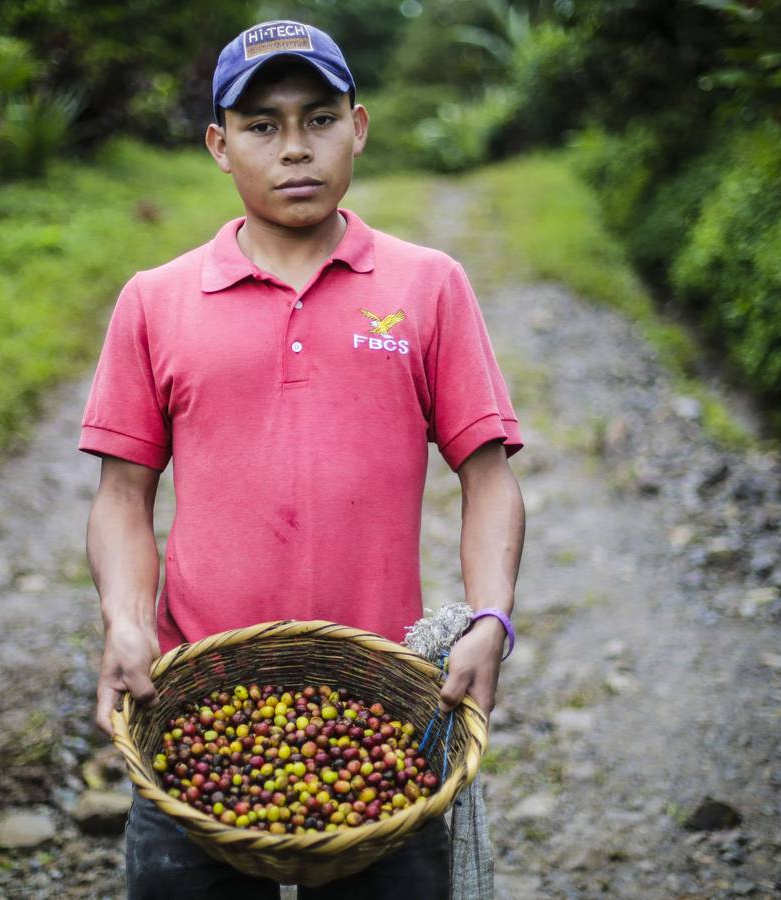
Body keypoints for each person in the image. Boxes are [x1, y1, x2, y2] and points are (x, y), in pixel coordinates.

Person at [78, 19, 526, 900]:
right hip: (195, 707)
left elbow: (488, 475)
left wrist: (491, 620)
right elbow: (122, 495)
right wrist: (125, 623)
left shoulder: (427, 285)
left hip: (385, 710)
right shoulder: (155, 301)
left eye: (318, 119)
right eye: (261, 126)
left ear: (357, 127)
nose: (294, 149)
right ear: (218, 144)